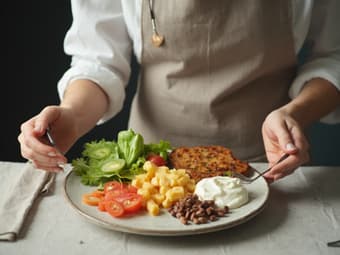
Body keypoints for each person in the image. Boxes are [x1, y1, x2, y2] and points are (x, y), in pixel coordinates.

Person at [18, 1, 340, 182]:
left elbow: (333, 58)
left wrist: (294, 114)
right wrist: (72, 117)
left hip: (267, 171)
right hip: (149, 173)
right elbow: (99, 61)